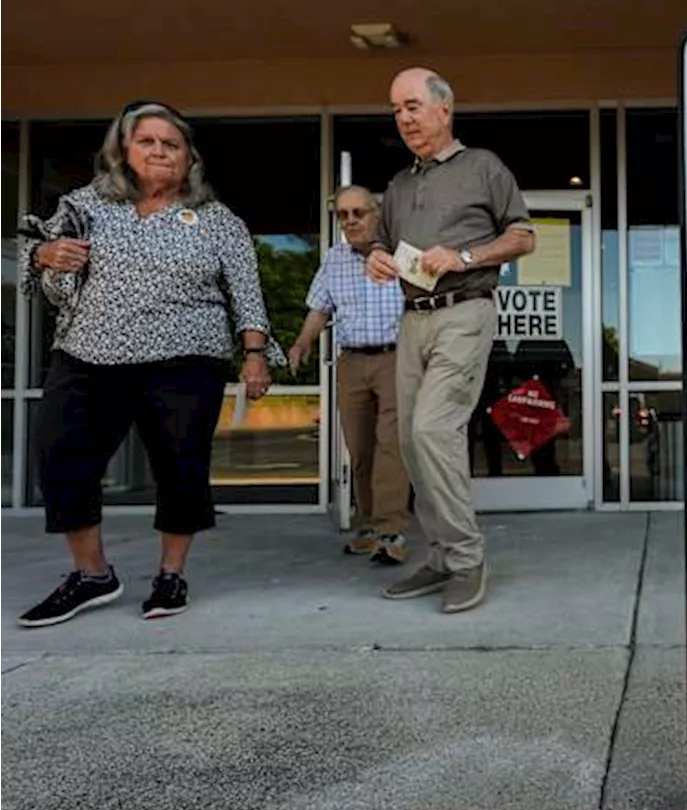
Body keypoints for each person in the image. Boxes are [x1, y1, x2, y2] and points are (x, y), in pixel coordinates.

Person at [15, 100, 285, 628]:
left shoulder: (217, 220)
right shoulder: (86, 205)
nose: (160, 151)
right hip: (89, 353)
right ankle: (92, 574)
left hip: (186, 357)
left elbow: (247, 295)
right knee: (60, 454)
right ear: (123, 151)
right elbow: (40, 258)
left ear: (190, 159)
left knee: (179, 466)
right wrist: (45, 257)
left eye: (172, 144)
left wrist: (255, 356)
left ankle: (170, 574)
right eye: (148, 142)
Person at [365, 67, 536, 613]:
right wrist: (375, 257)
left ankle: (466, 558)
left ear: (444, 108)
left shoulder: (483, 166)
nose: (404, 118)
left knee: (433, 430)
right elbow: (382, 244)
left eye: (412, 105)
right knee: (413, 445)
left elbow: (523, 236)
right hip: (412, 317)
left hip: (465, 311)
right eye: (396, 110)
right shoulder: (398, 185)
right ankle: (440, 555)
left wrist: (464, 256)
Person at [290, 184, 411, 564]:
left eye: (359, 212)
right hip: (352, 362)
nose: (351, 220)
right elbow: (319, 308)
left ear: (375, 214)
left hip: (396, 359)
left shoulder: (401, 254)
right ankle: (369, 525)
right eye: (343, 214)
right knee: (360, 450)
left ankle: (392, 531)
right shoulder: (334, 259)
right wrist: (302, 342)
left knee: (391, 446)